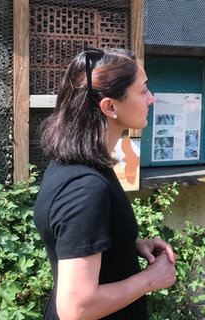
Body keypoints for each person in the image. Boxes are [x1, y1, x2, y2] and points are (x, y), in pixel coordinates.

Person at [33, 47, 177, 320]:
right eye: (143, 90)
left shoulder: (73, 163)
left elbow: (77, 238)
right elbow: (76, 308)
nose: (152, 98)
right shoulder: (85, 188)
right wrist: (151, 279)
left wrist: (127, 244)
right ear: (110, 106)